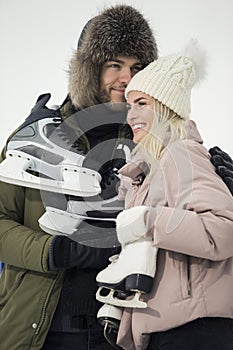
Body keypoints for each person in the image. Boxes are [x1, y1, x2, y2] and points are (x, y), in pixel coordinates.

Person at [0, 5, 158, 350]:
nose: (126, 79)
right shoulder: (36, 138)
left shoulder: (157, 144)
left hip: (125, 329)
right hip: (42, 325)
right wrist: (54, 250)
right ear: (89, 70)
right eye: (114, 65)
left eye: (136, 68)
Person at [97, 43, 233, 350]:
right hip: (165, 329)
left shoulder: (182, 153)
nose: (132, 115)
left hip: (196, 327)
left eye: (142, 102)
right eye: (130, 104)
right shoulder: (145, 174)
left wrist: (149, 219)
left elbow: (222, 229)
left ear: (167, 108)